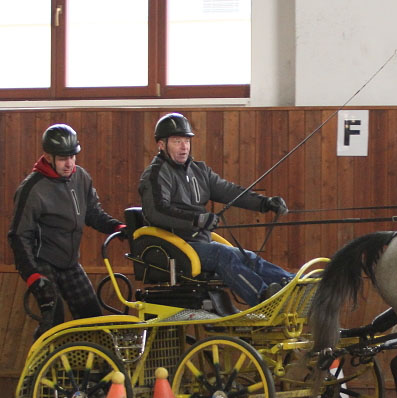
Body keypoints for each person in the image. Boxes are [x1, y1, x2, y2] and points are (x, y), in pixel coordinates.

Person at [138, 112, 291, 306]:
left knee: (247, 256)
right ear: (161, 145)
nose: (184, 146)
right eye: (177, 141)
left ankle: (292, 285)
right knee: (223, 255)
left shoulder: (199, 170)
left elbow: (230, 191)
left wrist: (264, 203)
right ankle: (264, 300)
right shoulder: (155, 174)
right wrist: (197, 220)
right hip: (175, 247)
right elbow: (157, 211)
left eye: (186, 140)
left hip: (199, 243)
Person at [8, 124, 127, 339]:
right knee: (53, 320)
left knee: (91, 316)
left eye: (72, 156)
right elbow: (19, 235)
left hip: (70, 262)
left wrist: (116, 226)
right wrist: (32, 274)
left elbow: (93, 213)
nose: (69, 163)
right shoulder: (32, 189)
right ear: (47, 156)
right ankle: (39, 370)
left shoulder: (80, 177)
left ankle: (90, 369)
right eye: (63, 158)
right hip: (42, 262)